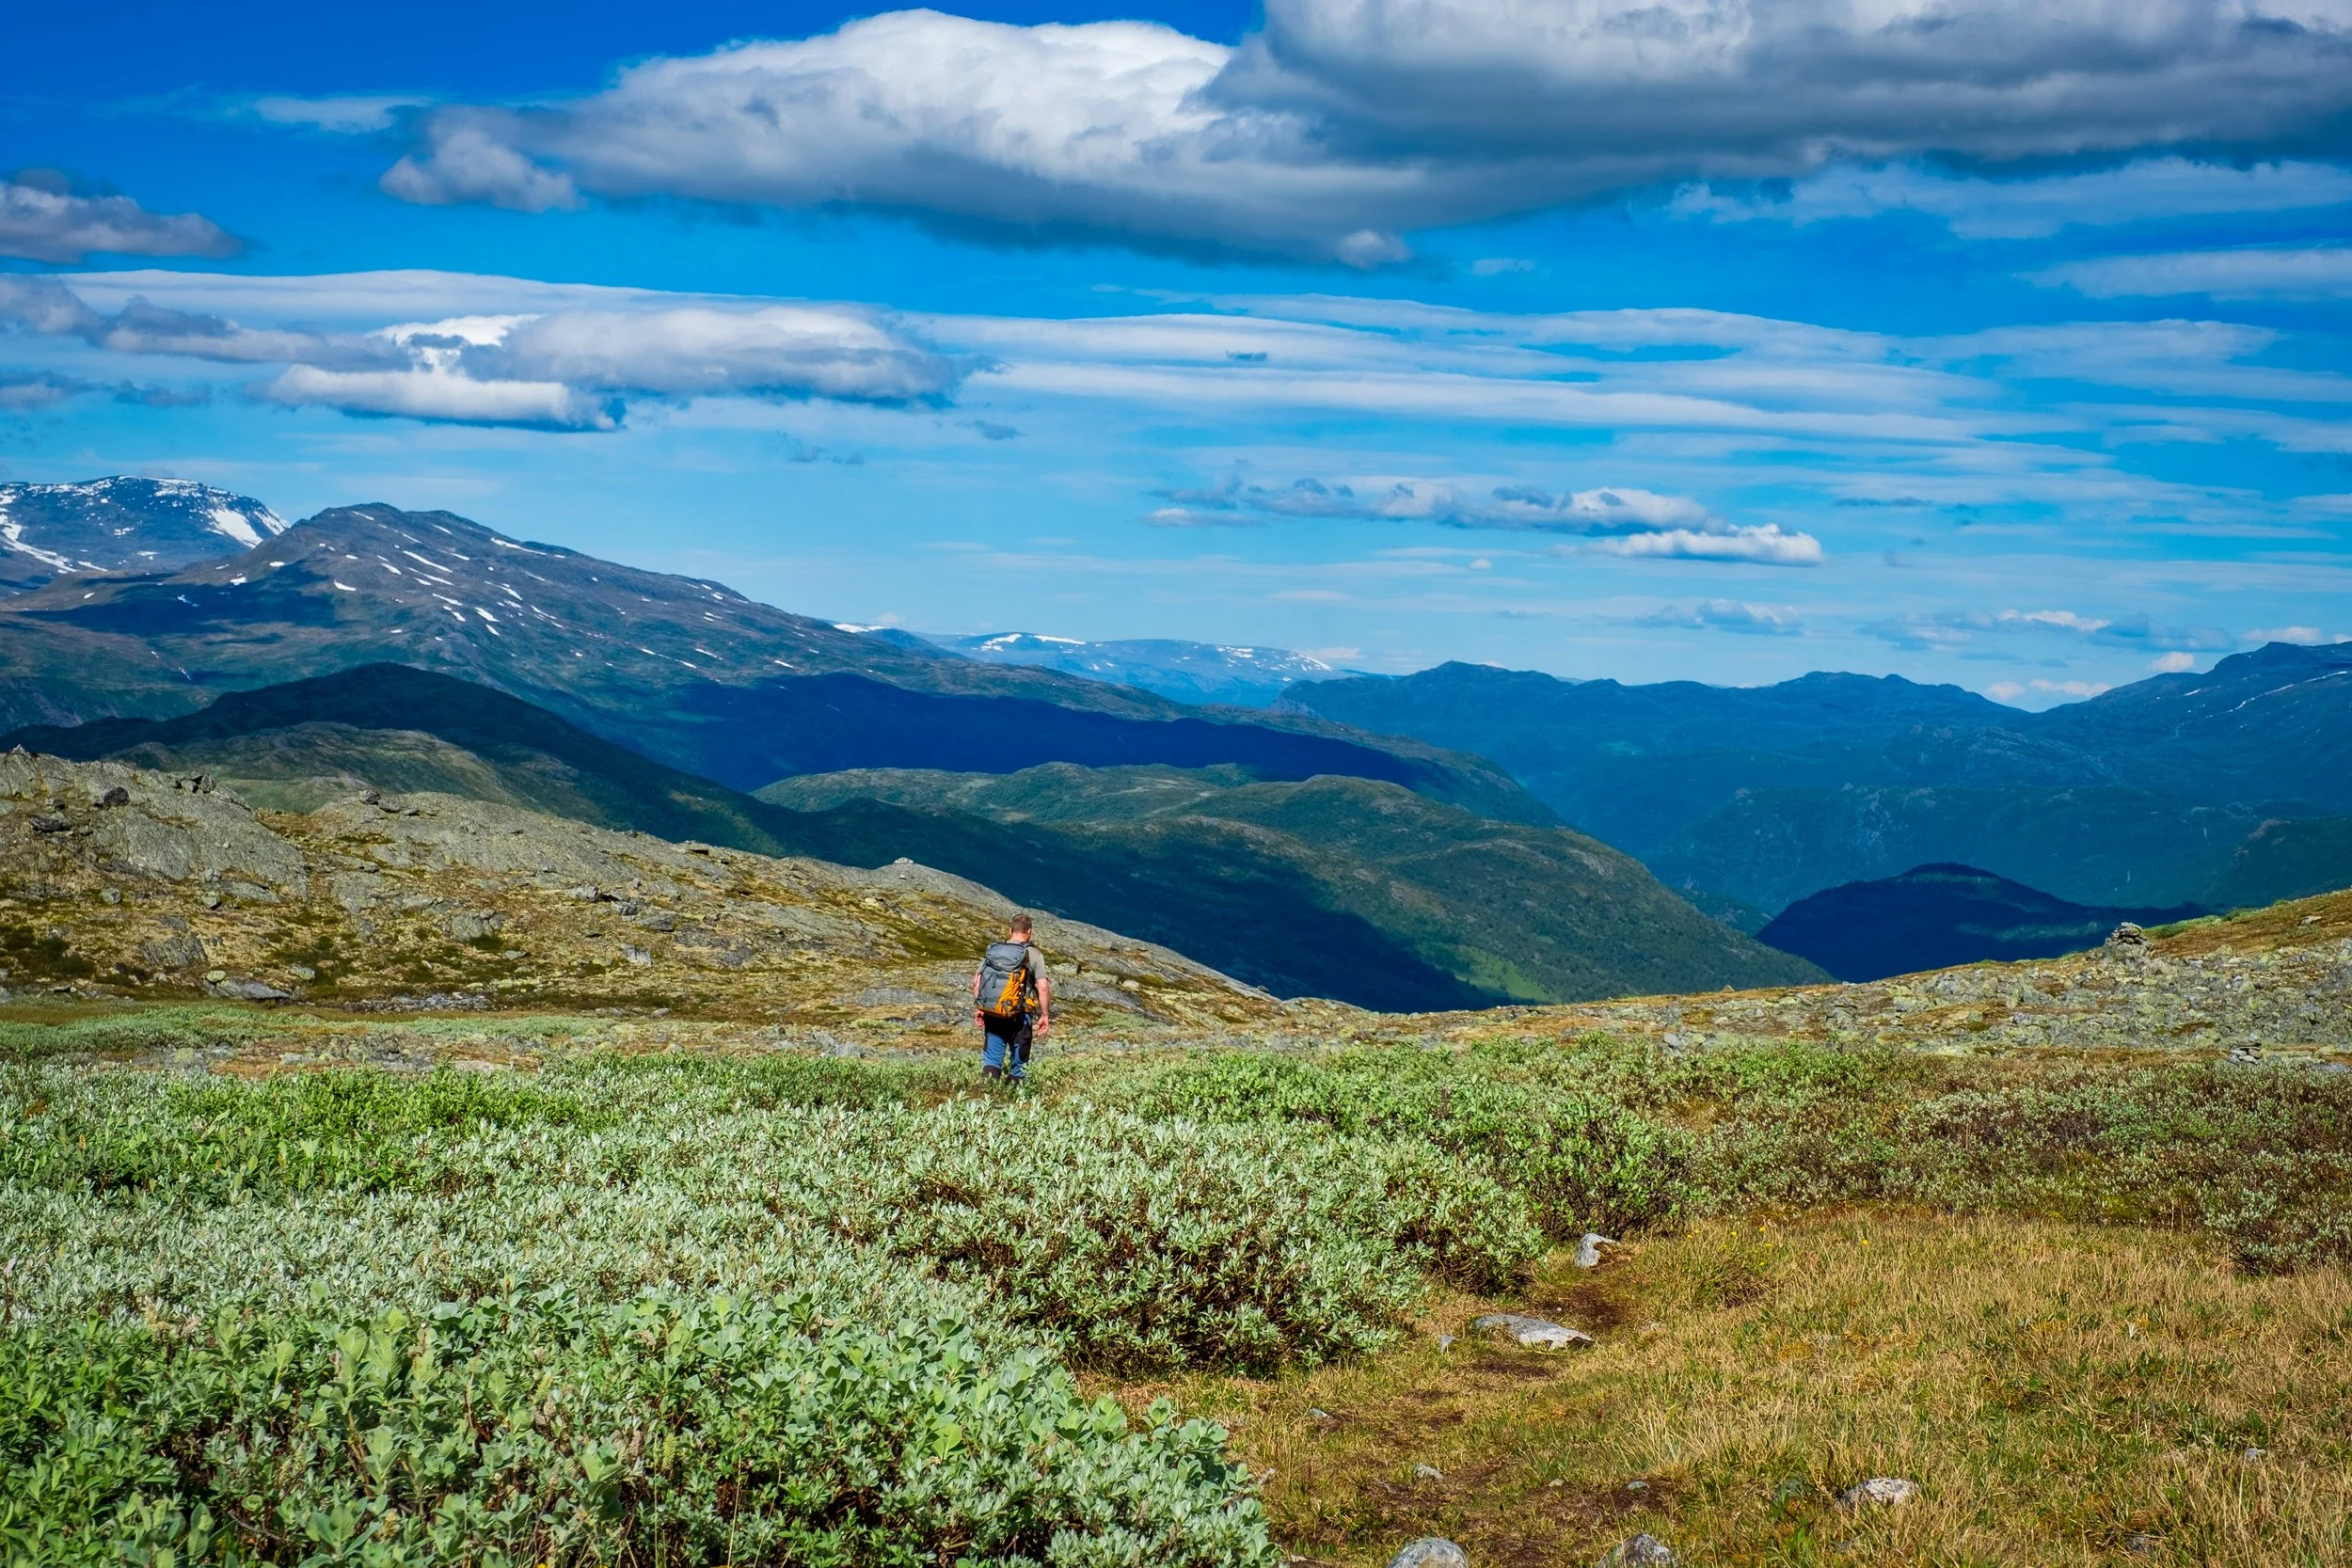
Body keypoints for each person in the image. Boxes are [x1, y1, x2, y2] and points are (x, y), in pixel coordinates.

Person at [971, 912, 1050, 1082]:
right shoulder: (1034, 954)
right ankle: (1016, 1101)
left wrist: (979, 1008)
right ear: (1029, 932)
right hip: (1021, 1015)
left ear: (1010, 930)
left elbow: (977, 981)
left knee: (992, 1059)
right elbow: (1042, 986)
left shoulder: (995, 951)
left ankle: (988, 1097)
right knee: (1019, 1063)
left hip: (994, 1012)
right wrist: (1045, 1015)